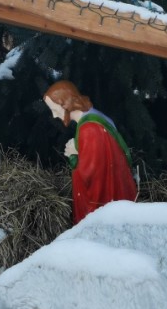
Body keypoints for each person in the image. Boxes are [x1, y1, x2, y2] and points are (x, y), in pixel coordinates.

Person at [42, 80, 137, 224]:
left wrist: (74, 154)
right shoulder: (91, 120)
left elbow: (91, 174)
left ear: (66, 104)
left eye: (55, 110)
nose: (55, 116)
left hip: (105, 210)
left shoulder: (89, 129)